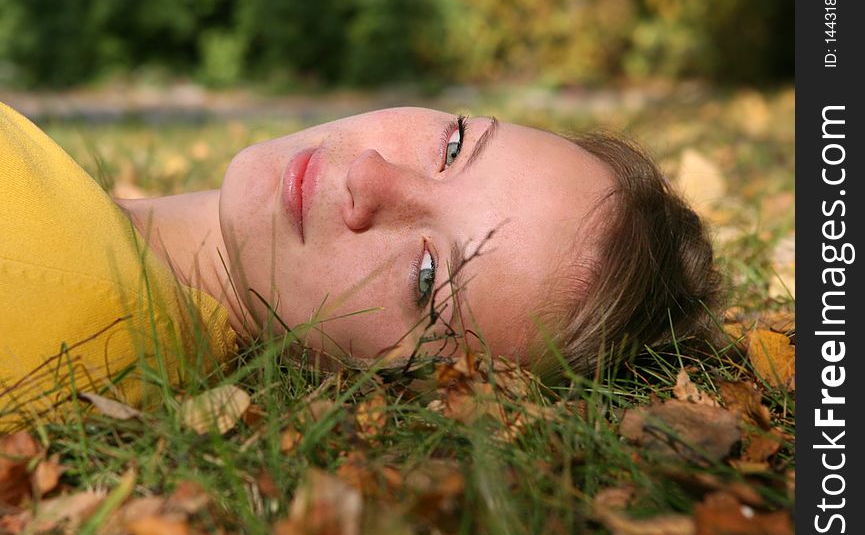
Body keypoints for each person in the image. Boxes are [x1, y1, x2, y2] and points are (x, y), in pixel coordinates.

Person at [0, 102, 721, 425]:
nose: (374, 178)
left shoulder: (46, 282)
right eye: (452, 147)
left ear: (392, 391)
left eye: (426, 279)